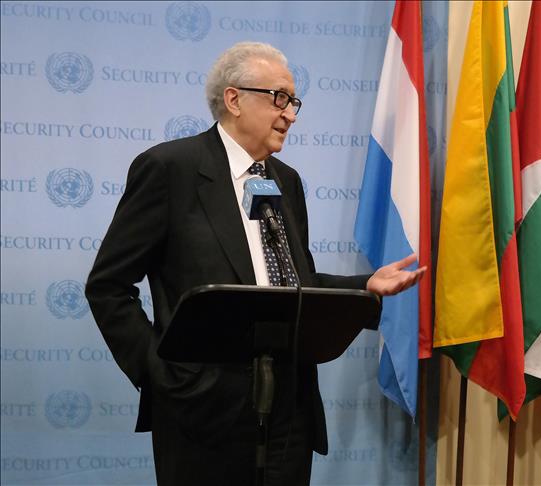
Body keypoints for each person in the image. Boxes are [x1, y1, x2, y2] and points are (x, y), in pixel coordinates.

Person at [85, 41, 425, 486]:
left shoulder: (287, 181)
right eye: (279, 98)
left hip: (290, 408)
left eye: (294, 102)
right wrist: (159, 372)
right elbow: (108, 286)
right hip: (201, 410)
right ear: (234, 99)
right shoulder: (170, 169)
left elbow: (292, 285)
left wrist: (366, 285)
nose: (291, 115)